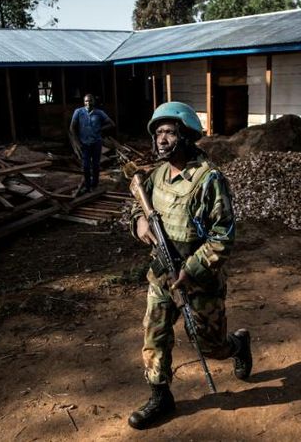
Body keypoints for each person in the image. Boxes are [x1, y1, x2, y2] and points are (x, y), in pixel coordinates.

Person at [127, 101, 252, 430]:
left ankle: (238, 345)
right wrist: (140, 221)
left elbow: (223, 237)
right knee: (155, 334)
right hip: (161, 274)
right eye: (157, 133)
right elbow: (137, 206)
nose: (161, 139)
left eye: (169, 132)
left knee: (211, 346)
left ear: (186, 137)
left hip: (199, 279)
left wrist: (191, 270)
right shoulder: (156, 176)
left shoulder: (209, 180)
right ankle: (160, 395)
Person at [69, 94, 115, 193]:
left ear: (94, 102)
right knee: (85, 166)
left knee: (95, 165)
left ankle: (95, 184)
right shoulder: (78, 112)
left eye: (90, 101)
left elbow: (112, 124)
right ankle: (87, 185)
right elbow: (72, 128)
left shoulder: (99, 113)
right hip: (84, 144)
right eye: (86, 101)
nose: (88, 103)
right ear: (83, 102)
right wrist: (77, 143)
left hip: (96, 143)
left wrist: (100, 129)